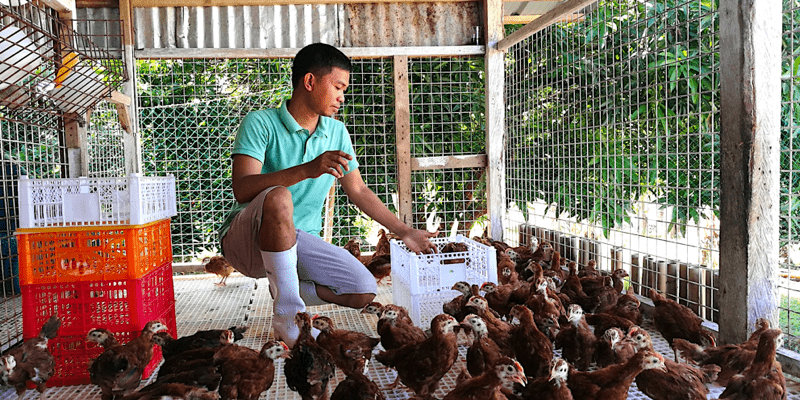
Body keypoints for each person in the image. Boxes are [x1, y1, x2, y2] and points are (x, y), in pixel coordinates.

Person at [218, 43, 438, 346]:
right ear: (309, 82)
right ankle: (288, 316)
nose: (342, 97)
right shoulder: (261, 123)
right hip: (245, 240)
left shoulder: (336, 133)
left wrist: (404, 231)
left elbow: (358, 189)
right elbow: (242, 188)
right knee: (280, 197)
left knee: (362, 289)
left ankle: (284, 285)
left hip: (296, 240)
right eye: (337, 86)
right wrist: (308, 169)